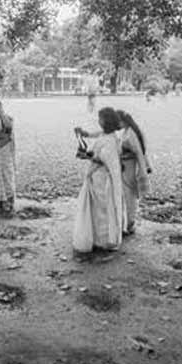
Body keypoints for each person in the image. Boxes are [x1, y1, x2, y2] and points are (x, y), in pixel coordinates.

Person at [72, 107, 124, 254]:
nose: (98, 121)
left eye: (100, 118)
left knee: (102, 209)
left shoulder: (110, 140)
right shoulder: (109, 135)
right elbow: (95, 135)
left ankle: (104, 240)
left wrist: (86, 156)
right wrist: (83, 134)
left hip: (102, 179)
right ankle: (98, 238)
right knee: (98, 209)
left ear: (106, 121)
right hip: (98, 177)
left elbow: (105, 160)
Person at [116, 110, 151, 236]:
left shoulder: (131, 133)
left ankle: (129, 223)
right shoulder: (128, 131)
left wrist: (142, 171)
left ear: (123, 121)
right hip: (126, 165)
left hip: (130, 167)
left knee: (129, 195)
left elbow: (139, 153)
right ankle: (125, 222)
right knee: (125, 195)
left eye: (118, 122)